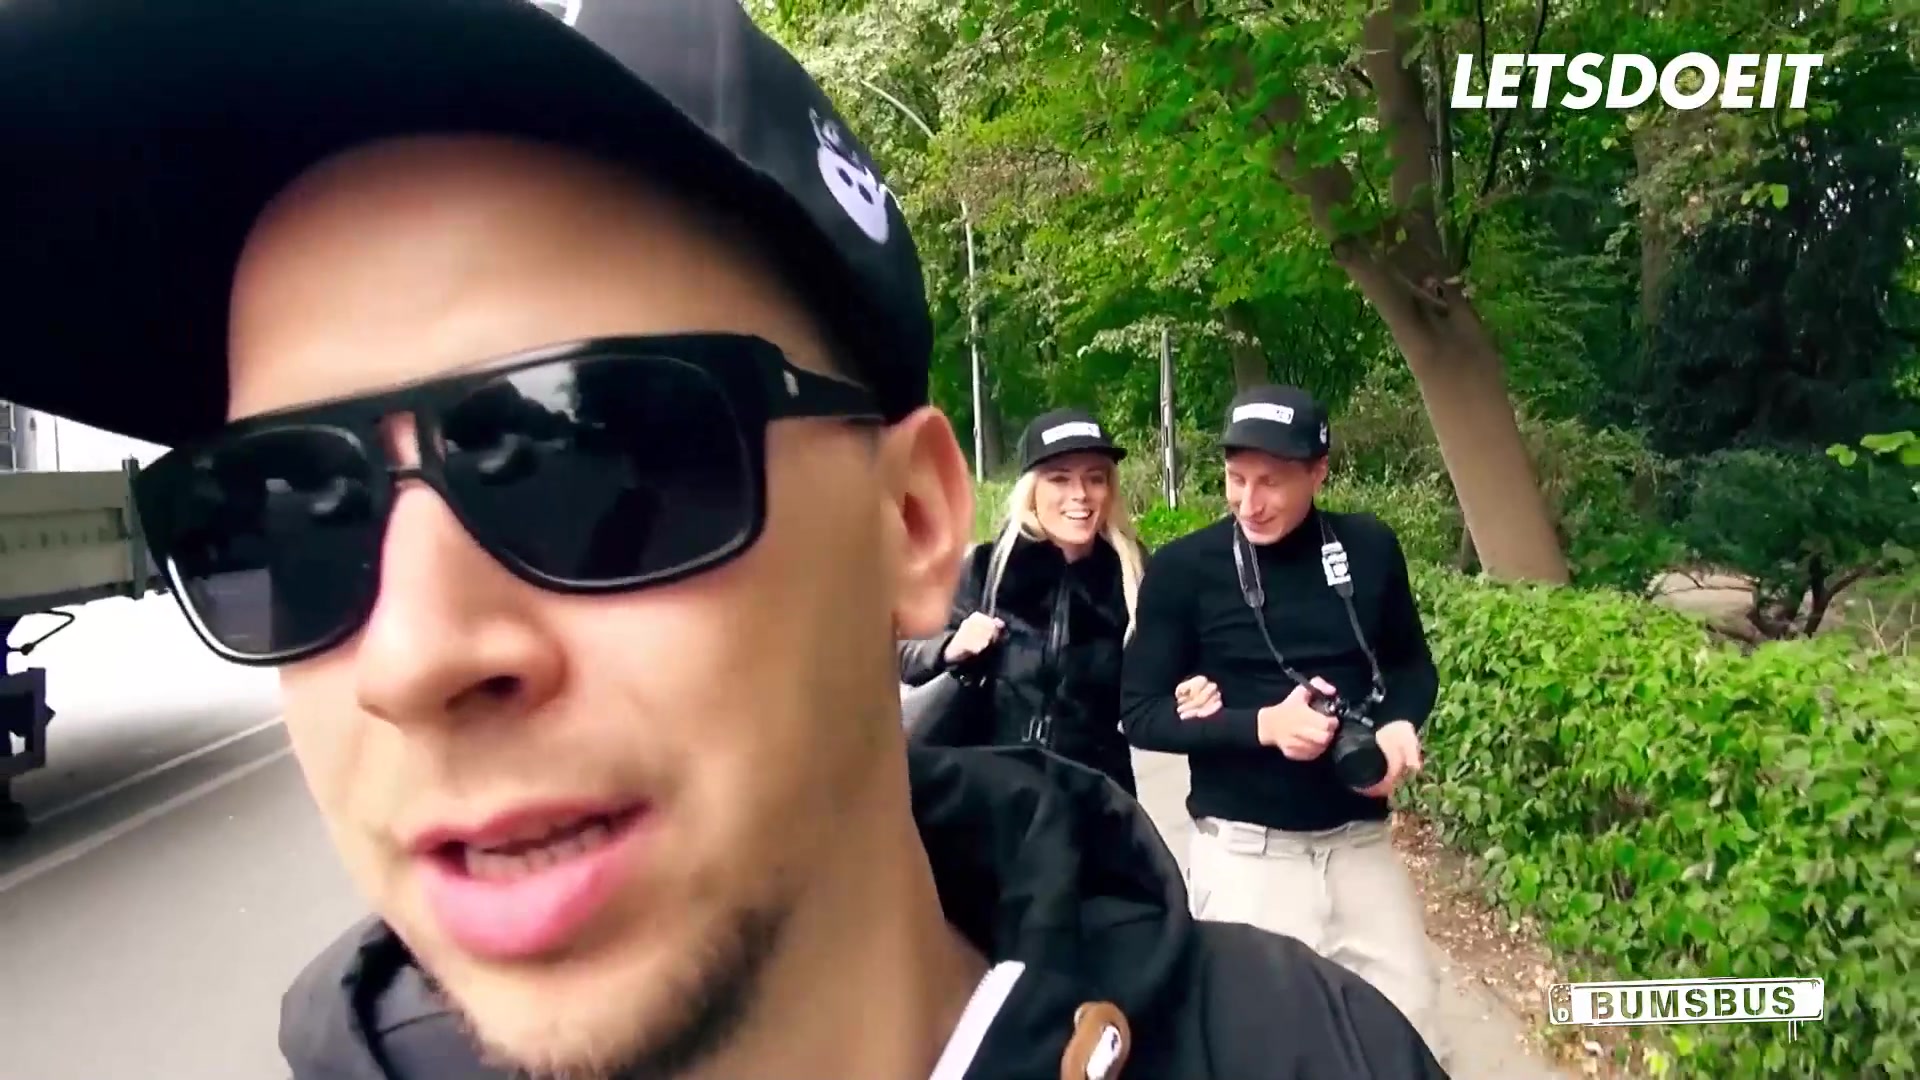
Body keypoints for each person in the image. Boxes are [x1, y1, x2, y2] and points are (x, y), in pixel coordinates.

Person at [0, 3, 1448, 1078]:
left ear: (909, 520)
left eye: (593, 455)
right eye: (275, 511)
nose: (413, 656)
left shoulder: (1317, 1055)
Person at [1119, 383, 1450, 1063]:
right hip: (1248, 857)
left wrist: (1397, 724)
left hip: (1359, 847)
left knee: (1412, 1036)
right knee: (1259, 1055)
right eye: (1235, 479)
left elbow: (1412, 666)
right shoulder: (1184, 569)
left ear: (1318, 472)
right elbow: (1140, 713)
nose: (1249, 503)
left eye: (1270, 482)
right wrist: (1262, 727)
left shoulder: (1369, 548)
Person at [899, 409, 1164, 797]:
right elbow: (903, 652)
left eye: (1095, 478)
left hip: (1092, 799)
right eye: (1060, 479)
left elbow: (1162, 681)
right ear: (1032, 490)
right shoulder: (987, 569)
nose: (1080, 494)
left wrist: (1188, 686)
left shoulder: (1136, 578)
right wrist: (951, 646)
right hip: (993, 796)